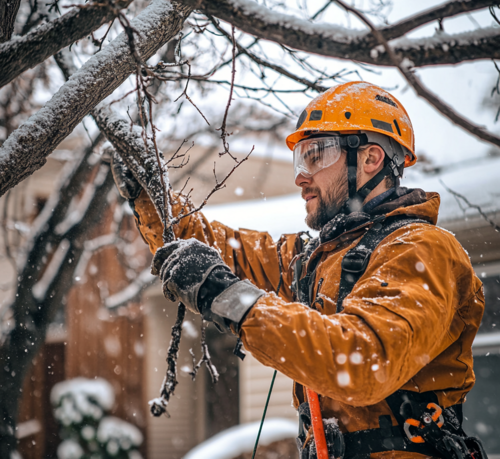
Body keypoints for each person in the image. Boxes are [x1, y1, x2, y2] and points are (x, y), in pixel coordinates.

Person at [112, 82, 486, 459]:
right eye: (299, 160)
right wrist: (150, 197)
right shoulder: (315, 259)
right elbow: (226, 252)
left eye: (316, 155)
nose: (300, 177)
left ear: (371, 159)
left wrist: (227, 297)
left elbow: (362, 362)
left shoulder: (422, 250)